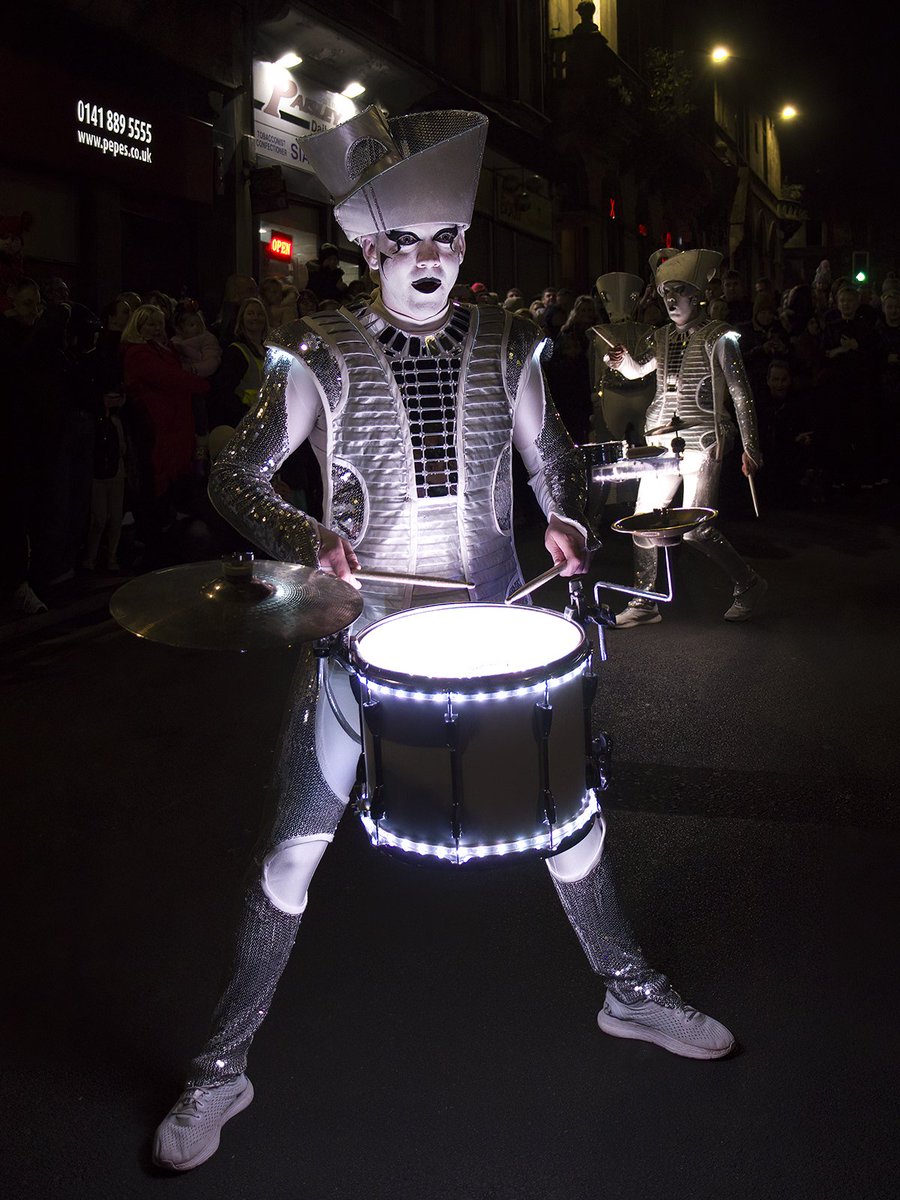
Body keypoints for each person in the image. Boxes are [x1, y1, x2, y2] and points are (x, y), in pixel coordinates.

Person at [152, 108, 735, 1174]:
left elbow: (551, 460)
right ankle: (221, 1067)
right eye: (406, 244)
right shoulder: (316, 351)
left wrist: (563, 516)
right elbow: (234, 473)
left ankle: (631, 993)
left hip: (492, 626)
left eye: (447, 243)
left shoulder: (512, 342)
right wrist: (304, 532)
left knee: (574, 826)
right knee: (289, 858)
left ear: (463, 249)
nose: (429, 262)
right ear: (369, 249)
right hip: (355, 634)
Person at [607, 248, 766, 627]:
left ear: (697, 294)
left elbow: (741, 394)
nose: (671, 301)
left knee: (698, 528)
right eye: (665, 294)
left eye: (678, 291)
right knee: (643, 521)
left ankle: (748, 583)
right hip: (660, 440)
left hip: (703, 440)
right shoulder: (660, 337)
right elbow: (638, 371)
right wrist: (621, 361)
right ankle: (645, 601)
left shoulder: (720, 337)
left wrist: (751, 447)